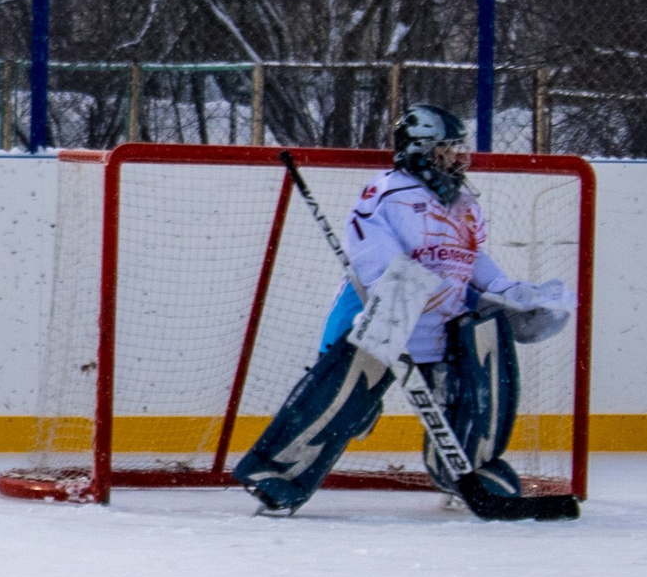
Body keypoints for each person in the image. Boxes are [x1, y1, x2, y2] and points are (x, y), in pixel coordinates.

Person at [232, 104, 574, 515]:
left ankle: (468, 470)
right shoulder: (387, 193)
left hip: (445, 328)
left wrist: (508, 290)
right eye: (447, 149)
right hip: (385, 321)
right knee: (339, 401)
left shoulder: (465, 202)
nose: (457, 157)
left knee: (473, 398)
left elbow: (472, 257)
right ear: (421, 149)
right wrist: (400, 296)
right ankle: (278, 474)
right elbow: (374, 260)